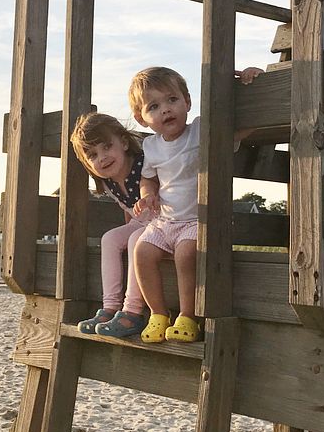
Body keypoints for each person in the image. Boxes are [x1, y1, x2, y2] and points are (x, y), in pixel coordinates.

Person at [129, 65, 262, 344]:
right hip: (165, 221)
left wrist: (251, 85)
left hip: (196, 220)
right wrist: (147, 195)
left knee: (186, 255)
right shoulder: (151, 147)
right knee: (141, 252)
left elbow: (244, 127)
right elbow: (148, 179)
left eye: (172, 100)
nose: (165, 109)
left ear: (187, 102)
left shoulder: (201, 130)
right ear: (141, 119)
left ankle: (188, 316)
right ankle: (158, 315)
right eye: (153, 106)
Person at [69, 112, 155, 339]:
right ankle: (110, 307)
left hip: (165, 222)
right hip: (142, 222)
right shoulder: (108, 182)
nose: (103, 157)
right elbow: (128, 211)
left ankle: (132, 312)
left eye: (107, 147)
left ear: (124, 143)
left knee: (137, 239)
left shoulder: (143, 165)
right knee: (110, 238)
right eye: (93, 155)